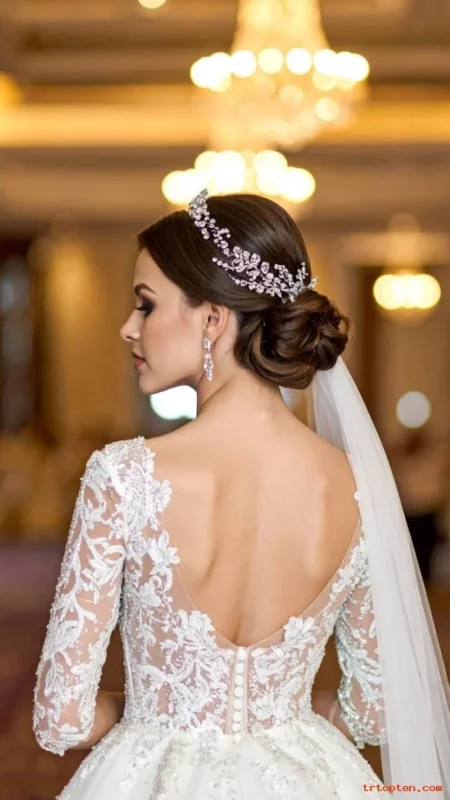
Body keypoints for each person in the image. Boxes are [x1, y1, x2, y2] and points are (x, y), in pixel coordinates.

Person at [33, 190, 450, 799]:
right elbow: (374, 709)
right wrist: (277, 720)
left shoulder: (124, 475)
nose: (128, 327)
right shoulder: (357, 487)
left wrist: (163, 712)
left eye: (145, 304)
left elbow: (60, 718)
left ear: (212, 319)